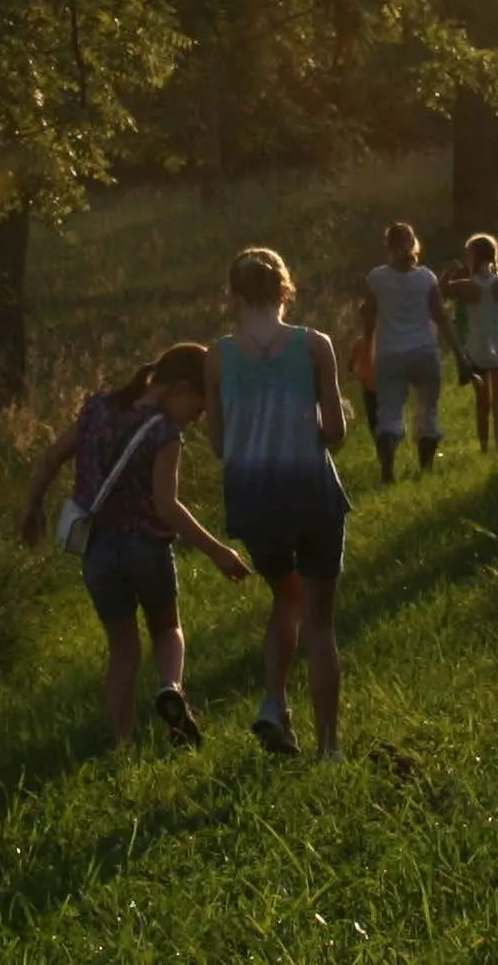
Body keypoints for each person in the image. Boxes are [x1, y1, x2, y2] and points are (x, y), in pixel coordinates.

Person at [21, 343, 250, 749]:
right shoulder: (165, 433)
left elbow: (53, 456)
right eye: (197, 409)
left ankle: (123, 742)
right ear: (179, 388)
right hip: (147, 549)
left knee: (123, 648)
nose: (196, 420)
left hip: (98, 553)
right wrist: (217, 551)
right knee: (167, 629)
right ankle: (171, 688)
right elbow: (167, 506)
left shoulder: (96, 411)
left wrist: (34, 505)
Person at [204, 248, 348, 761]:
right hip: (309, 492)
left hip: (253, 499)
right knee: (320, 620)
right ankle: (328, 748)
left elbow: (218, 444)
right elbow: (334, 431)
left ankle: (273, 702)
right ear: (285, 291)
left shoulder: (216, 356)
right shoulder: (315, 347)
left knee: (285, 597)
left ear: (234, 296)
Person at [363, 221, 476, 484]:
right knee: (428, 412)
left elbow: (368, 318)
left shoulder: (376, 279)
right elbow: (442, 319)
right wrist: (461, 356)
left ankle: (388, 470)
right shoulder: (426, 278)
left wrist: (368, 350)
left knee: (389, 413)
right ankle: (425, 471)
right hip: (424, 352)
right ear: (415, 244)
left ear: (388, 247)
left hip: (390, 354)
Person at [440, 232, 498, 453]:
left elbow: (442, 288)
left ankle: (484, 447)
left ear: (473, 257)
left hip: (476, 348)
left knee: (482, 402)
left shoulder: (467, 286)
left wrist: (450, 270)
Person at [348, 300, 377, 444]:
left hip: (386, 388)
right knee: (375, 424)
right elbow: (351, 365)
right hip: (369, 390)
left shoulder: (386, 340)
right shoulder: (359, 343)